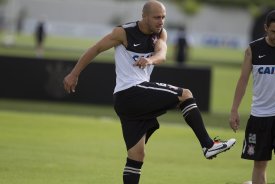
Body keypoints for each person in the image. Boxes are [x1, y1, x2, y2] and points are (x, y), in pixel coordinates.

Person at [63, 1, 236, 183]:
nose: (161, 21)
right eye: (157, 17)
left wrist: (150, 60)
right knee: (185, 94)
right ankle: (208, 145)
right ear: (144, 16)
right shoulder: (123, 32)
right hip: (130, 92)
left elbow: (162, 55)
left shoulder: (161, 33)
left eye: (163, 17)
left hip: (129, 101)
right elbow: (96, 48)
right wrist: (74, 73)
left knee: (136, 156)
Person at [229, 10, 275, 184]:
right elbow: (243, 80)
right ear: (266, 28)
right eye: (274, 31)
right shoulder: (253, 49)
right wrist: (234, 110)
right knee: (260, 164)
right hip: (260, 115)